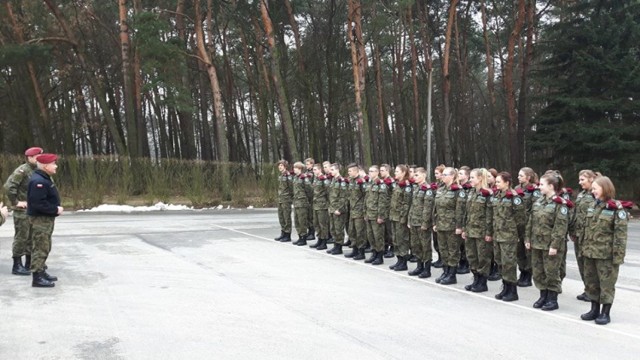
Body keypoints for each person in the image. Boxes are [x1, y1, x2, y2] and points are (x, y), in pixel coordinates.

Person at [580, 176, 630, 325]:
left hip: (606, 255)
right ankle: (594, 309)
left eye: (595, 188)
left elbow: (620, 236)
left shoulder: (616, 208)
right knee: (591, 282)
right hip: (589, 252)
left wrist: (618, 257)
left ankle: (605, 312)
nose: (593, 191)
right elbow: (586, 230)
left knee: (606, 284)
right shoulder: (592, 206)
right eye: (593, 188)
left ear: (605, 188)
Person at [525, 172, 572, 311]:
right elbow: (530, 221)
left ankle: (552, 299)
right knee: (538, 271)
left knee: (551, 272)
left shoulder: (560, 204)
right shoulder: (538, 201)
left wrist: (555, 245)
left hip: (550, 245)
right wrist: (527, 238)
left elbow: (560, 227)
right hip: (537, 243)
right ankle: (543, 295)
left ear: (551, 186)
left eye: (541, 184)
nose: (539, 187)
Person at [3, 146, 44, 276]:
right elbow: (9, 186)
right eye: (37, 156)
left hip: (34, 210)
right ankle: (17, 265)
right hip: (22, 211)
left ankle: (29, 262)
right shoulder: (22, 171)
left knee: (32, 237)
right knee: (22, 237)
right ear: (30, 158)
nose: (39, 159)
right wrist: (16, 202)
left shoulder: (38, 170)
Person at [27, 153, 63, 288]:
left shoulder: (43, 178)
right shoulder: (39, 181)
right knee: (40, 247)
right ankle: (37, 277)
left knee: (45, 246)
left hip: (45, 220)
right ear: (46, 166)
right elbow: (38, 203)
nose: (56, 166)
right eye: (53, 163)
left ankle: (41, 271)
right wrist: (55, 209)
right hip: (40, 220)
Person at [491, 172, 526, 302]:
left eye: (499, 182)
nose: (496, 184)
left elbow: (520, 219)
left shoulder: (514, 197)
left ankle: (512, 291)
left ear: (507, 183)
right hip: (498, 234)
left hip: (509, 236)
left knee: (509, 263)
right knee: (500, 262)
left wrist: (516, 233)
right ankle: (505, 287)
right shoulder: (497, 196)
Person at [461, 168, 493, 292]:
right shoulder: (471, 193)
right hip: (470, 230)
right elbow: (466, 213)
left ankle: (482, 282)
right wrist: (464, 228)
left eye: (473, 178)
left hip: (481, 232)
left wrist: (489, 232)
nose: (470, 180)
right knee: (472, 256)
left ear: (480, 178)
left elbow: (490, 215)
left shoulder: (487, 194)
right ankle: (475, 279)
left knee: (483, 257)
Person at [433, 167, 465, 285]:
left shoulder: (458, 191)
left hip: (451, 226)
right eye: (443, 174)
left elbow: (460, 210)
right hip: (441, 224)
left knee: (453, 250)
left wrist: (459, 226)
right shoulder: (441, 189)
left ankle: (452, 274)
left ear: (452, 176)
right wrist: (435, 222)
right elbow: (435, 208)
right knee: (443, 249)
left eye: (445, 174)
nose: (443, 176)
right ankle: (445, 271)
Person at [569, 170, 598, 302]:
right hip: (578, 235)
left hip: (589, 237)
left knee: (589, 266)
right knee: (581, 264)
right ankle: (587, 289)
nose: (580, 182)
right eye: (579, 180)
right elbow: (575, 214)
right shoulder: (581, 195)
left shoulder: (596, 194)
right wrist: (572, 231)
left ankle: (594, 291)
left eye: (582, 180)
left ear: (592, 179)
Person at [515, 167, 539, 287]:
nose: (518, 177)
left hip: (528, 224)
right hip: (518, 224)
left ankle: (528, 273)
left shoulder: (534, 190)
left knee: (527, 251)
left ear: (528, 177)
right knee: (519, 250)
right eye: (518, 175)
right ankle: (522, 271)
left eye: (521, 175)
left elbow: (535, 208)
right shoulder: (516, 189)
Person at [407, 168, 431, 277]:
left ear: (424, 175)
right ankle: (419, 266)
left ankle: (427, 268)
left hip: (422, 223)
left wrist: (425, 223)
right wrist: (409, 219)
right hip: (414, 221)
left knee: (425, 246)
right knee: (416, 245)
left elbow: (427, 208)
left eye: (417, 175)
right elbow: (412, 205)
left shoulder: (427, 189)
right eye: (414, 175)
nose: (414, 177)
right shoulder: (416, 188)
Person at [388, 165, 412, 271]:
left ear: (403, 172)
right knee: (396, 239)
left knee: (402, 240)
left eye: (397, 171)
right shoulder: (398, 184)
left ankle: (404, 262)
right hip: (394, 216)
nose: (395, 173)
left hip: (400, 218)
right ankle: (399, 260)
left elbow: (406, 204)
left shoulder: (406, 186)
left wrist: (403, 218)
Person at [364, 166, 389, 265]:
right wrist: (365, 213)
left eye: (372, 171)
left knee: (378, 236)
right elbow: (366, 200)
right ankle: (374, 253)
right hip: (369, 214)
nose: (370, 173)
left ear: (377, 172)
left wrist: (380, 216)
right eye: (369, 171)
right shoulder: (369, 184)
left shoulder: (381, 185)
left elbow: (382, 202)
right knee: (371, 236)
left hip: (376, 215)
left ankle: (379, 256)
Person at [345, 163, 367, 260]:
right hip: (352, 210)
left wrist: (364, 210)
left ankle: (361, 252)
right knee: (352, 231)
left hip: (359, 211)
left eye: (350, 171)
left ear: (356, 171)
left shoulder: (361, 182)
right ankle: (355, 250)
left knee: (360, 232)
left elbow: (366, 196)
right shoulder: (351, 181)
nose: (348, 173)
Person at [326, 163, 348, 255]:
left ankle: (339, 247)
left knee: (338, 229)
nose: (330, 172)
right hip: (332, 208)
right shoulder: (333, 180)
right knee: (333, 229)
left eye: (332, 170)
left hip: (338, 210)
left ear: (337, 170)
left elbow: (344, 197)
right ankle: (335, 245)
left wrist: (340, 209)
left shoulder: (341, 181)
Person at [310, 164, 330, 250]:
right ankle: (319, 239)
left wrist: (328, 204)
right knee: (316, 223)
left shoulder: (323, 179)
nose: (313, 171)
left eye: (315, 170)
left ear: (319, 170)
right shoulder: (316, 179)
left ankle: (324, 242)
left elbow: (328, 192)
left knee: (323, 224)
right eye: (313, 170)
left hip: (322, 205)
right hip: (316, 204)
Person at [457, 166, 472, 274]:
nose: (459, 176)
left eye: (461, 174)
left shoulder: (469, 189)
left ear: (467, 176)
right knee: (459, 244)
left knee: (465, 244)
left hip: (466, 218)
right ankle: (461, 262)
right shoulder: (458, 188)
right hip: (459, 217)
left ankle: (466, 264)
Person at [274, 160, 293, 242]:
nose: (279, 167)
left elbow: (291, 188)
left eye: (281, 165)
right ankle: (283, 232)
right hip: (281, 199)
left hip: (286, 199)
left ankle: (287, 234)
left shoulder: (288, 176)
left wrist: (290, 198)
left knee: (286, 217)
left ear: (285, 166)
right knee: (281, 217)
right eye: (279, 165)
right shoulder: (281, 176)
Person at [291, 162, 310, 246]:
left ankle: (303, 238)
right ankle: (300, 236)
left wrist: (306, 199)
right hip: (296, 202)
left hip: (302, 203)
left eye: (295, 168)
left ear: (300, 169)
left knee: (302, 221)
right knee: (297, 221)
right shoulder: (295, 178)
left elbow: (309, 190)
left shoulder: (304, 178)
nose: (294, 169)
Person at [431, 164, 446, 268]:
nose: (435, 175)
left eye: (437, 173)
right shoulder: (437, 185)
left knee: (442, 242)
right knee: (436, 240)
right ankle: (440, 258)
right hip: (435, 215)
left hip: (443, 218)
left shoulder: (443, 186)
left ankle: (443, 259)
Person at [379, 164, 395, 258]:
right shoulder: (382, 182)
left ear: (387, 171)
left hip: (389, 209)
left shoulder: (391, 182)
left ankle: (392, 248)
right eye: (380, 170)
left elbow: (394, 196)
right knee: (383, 230)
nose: (381, 172)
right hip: (383, 209)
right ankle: (385, 247)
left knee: (389, 230)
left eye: (382, 170)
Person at [304, 158, 316, 240]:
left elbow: (313, 185)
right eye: (306, 164)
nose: (307, 165)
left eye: (308, 164)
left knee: (311, 215)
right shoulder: (306, 173)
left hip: (312, 196)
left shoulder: (313, 173)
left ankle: (312, 232)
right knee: (307, 215)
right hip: (306, 196)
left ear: (312, 164)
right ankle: (309, 230)